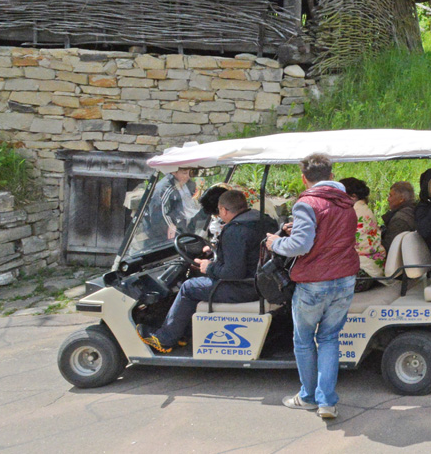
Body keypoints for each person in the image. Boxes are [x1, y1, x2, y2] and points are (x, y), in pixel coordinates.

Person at [266, 153, 358, 420]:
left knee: (304, 341)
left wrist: (275, 243)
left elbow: (302, 246)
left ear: (304, 178)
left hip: (314, 283)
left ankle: (307, 397)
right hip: (345, 280)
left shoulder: (306, 203)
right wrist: (299, 228)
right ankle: (327, 402)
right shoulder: (346, 203)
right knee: (329, 337)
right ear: (331, 175)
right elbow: (330, 233)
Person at [137, 189, 270, 353]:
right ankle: (183, 334)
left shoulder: (235, 230)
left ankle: (164, 339)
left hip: (243, 287)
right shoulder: (261, 219)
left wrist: (209, 267)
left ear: (223, 210)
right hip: (261, 283)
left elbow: (232, 273)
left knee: (188, 287)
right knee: (197, 282)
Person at [340, 177, 386, 289]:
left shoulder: (354, 213)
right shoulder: (363, 209)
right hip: (373, 269)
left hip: (363, 272)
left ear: (353, 196)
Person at [146, 167, 203, 241]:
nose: (188, 176)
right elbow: (160, 213)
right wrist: (171, 225)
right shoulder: (165, 189)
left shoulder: (189, 184)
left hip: (187, 226)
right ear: (173, 172)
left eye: (190, 172)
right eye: (185, 173)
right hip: (169, 232)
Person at [380, 181, 416, 252]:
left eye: (391, 196)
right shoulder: (412, 212)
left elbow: (388, 248)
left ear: (401, 199)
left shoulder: (400, 219)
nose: (388, 199)